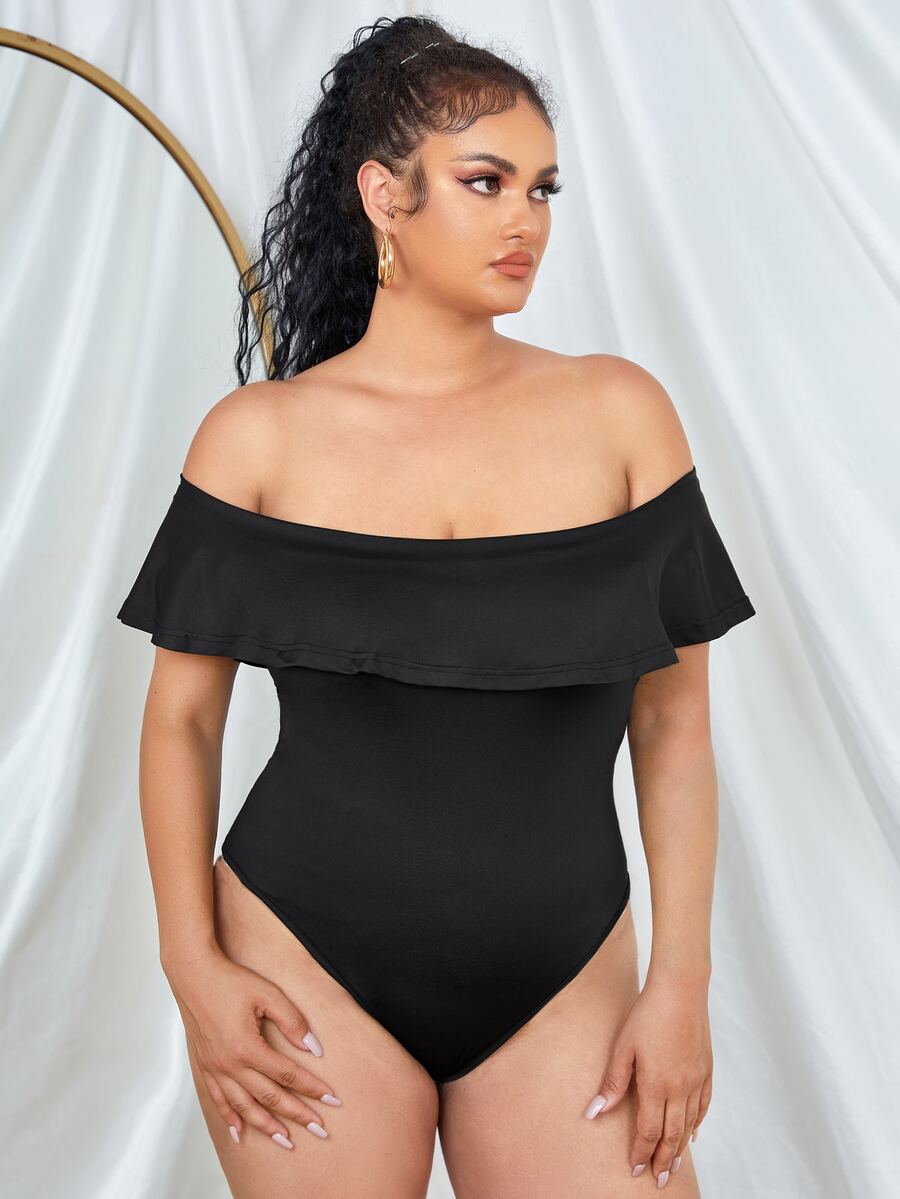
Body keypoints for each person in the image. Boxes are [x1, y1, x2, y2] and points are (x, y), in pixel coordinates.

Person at [117, 15, 755, 1197]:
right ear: (384, 196)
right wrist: (191, 964)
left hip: (566, 967)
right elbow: (181, 721)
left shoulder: (622, 415)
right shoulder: (258, 438)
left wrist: (682, 981)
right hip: (300, 952)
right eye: (486, 182)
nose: (527, 220)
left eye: (543, 188)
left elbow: (673, 722)